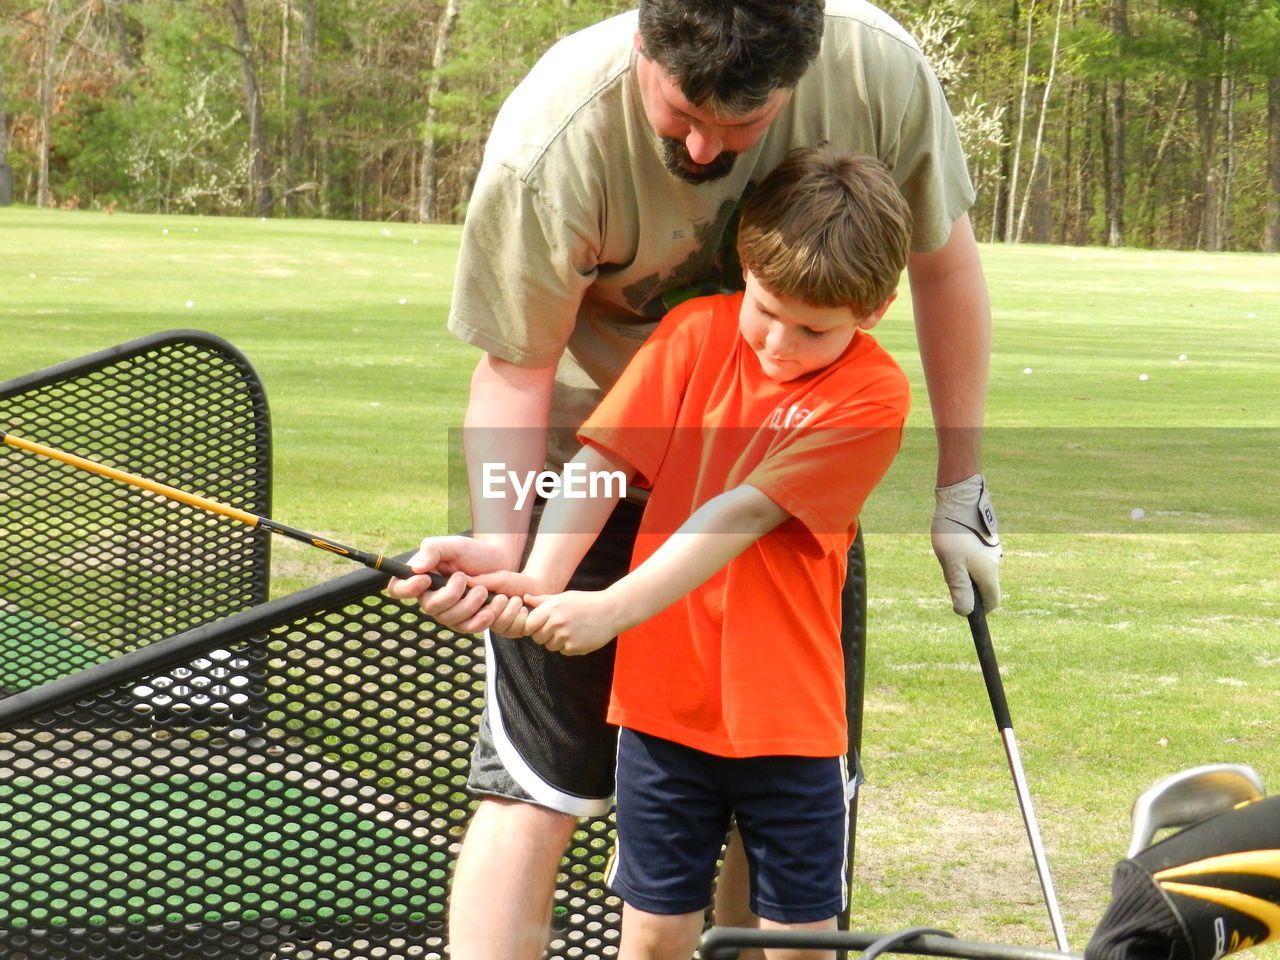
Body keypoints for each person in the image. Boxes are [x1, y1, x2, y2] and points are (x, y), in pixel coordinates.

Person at [386, 2, 1003, 957]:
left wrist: (960, 488)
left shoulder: (879, 73)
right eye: (680, 118)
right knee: (536, 794)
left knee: (778, 839)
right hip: (577, 490)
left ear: (802, 75)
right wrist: (515, 559)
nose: (708, 150)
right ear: (643, 45)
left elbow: (942, 267)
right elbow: (523, 376)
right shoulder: (555, 142)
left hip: (774, 571)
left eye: (744, 127)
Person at [478, 144, 914, 960]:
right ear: (743, 266)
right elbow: (603, 464)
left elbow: (739, 514)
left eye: (814, 330)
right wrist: (539, 580)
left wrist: (608, 608)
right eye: (765, 308)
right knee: (651, 939)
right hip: (660, 715)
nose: (780, 345)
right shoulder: (692, 335)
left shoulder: (873, 395)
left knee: (797, 945)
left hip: (790, 726)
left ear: (876, 310)